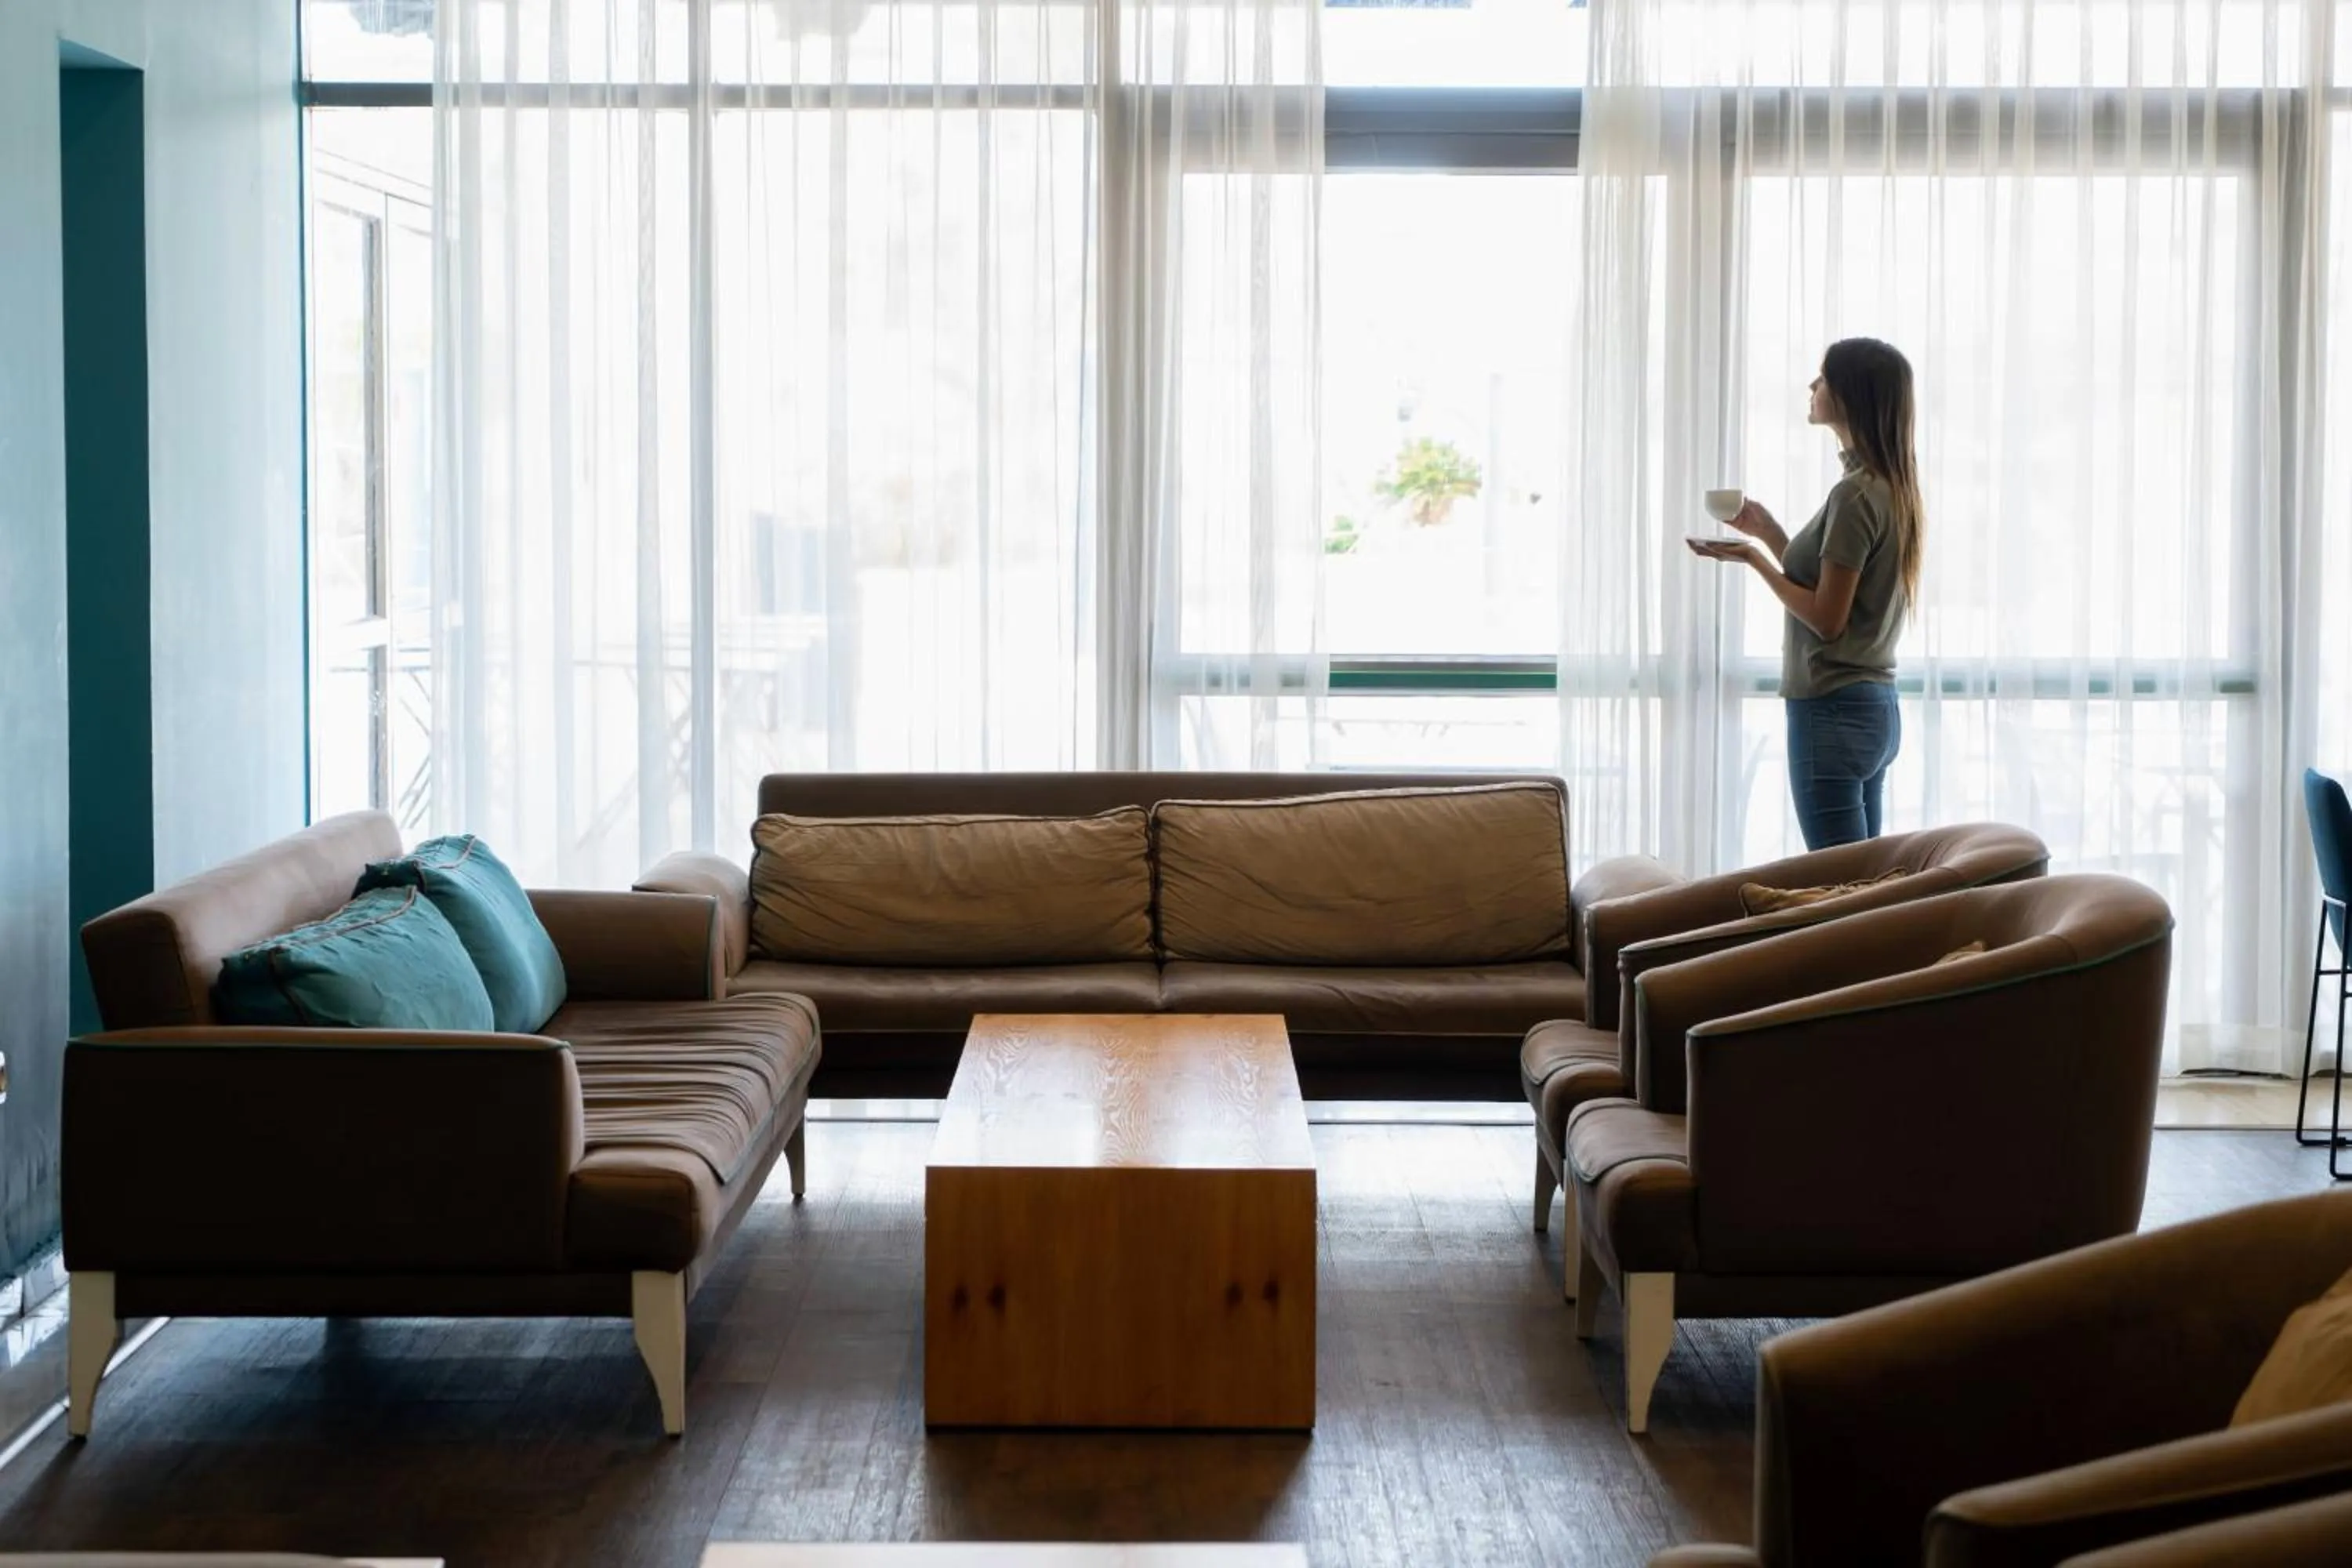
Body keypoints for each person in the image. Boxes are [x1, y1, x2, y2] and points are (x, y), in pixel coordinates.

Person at [1690, 337, 1925, 849]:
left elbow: (1827, 620)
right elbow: (1835, 591)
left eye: (1823, 377)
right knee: (1861, 888)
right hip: (1877, 709)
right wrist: (1769, 532)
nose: (1812, 386)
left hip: (1832, 709)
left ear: (1850, 395)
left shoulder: (1854, 494)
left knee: (1835, 889)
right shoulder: (1890, 486)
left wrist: (1755, 562)